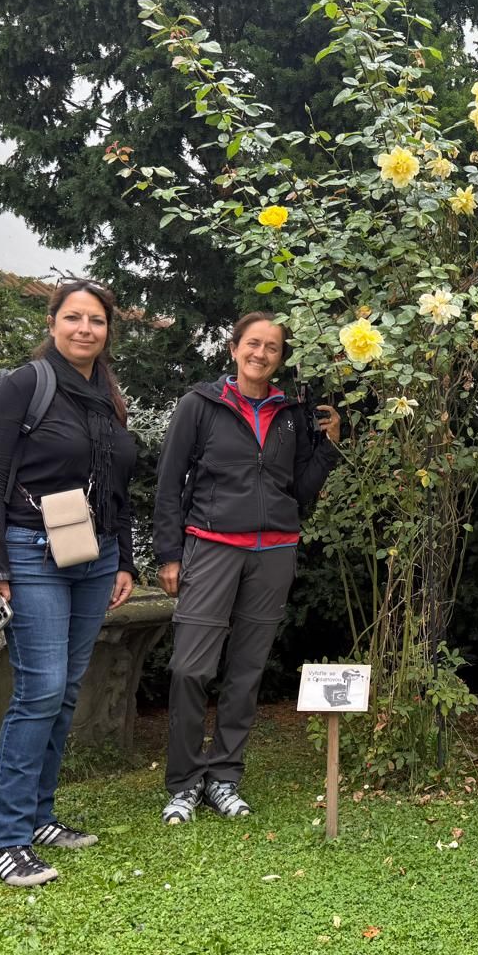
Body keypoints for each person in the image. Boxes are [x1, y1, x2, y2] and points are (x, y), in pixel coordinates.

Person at [0, 279, 139, 888]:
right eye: (74, 318)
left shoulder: (108, 398)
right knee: (39, 691)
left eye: (96, 320)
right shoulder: (24, 386)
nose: (85, 329)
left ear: (107, 330)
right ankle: (6, 840)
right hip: (31, 551)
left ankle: (40, 816)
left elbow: (115, 485)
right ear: (52, 321)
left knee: (65, 690)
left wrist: (123, 560)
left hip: (94, 559)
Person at [152, 312, 341, 825]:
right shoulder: (201, 404)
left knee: (246, 672)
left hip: (273, 551)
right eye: (253, 344)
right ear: (234, 348)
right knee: (191, 668)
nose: (261, 354)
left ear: (281, 358)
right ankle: (185, 784)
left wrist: (326, 444)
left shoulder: (291, 413)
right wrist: (168, 554)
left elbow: (300, 491)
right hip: (210, 547)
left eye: (272, 348)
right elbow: (168, 483)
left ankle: (224, 777)